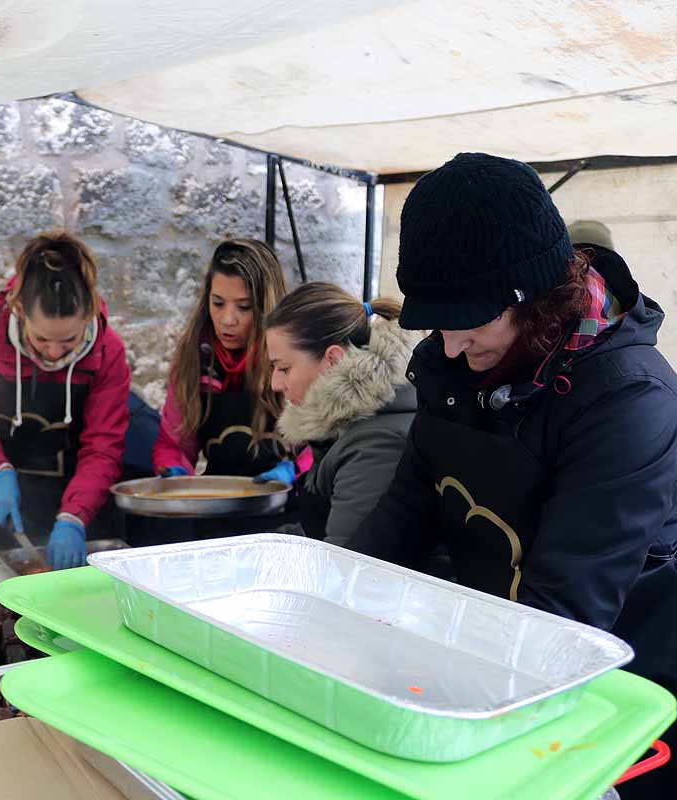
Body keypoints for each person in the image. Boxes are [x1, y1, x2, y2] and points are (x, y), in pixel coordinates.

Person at [350, 153, 676, 799]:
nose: (447, 346)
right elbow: (402, 516)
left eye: (469, 321)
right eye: (438, 323)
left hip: (612, 686)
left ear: (536, 298)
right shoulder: (455, 363)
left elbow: (567, 612)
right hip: (490, 646)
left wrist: (456, 725)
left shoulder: (629, 399)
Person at [0, 231, 130, 569]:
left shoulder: (108, 351)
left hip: (75, 489)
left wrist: (74, 515)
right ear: (19, 310)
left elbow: (103, 446)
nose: (55, 353)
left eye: (69, 340)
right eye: (42, 339)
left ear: (87, 314)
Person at [147, 239, 290, 543]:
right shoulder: (194, 359)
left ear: (266, 306)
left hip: (287, 519)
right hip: (216, 520)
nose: (228, 319)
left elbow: (323, 448)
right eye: (218, 302)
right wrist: (174, 469)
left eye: (244, 306)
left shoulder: (292, 356)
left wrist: (294, 470)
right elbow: (174, 441)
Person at [263, 283, 418, 546]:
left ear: (333, 360)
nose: (275, 384)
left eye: (284, 368)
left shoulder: (376, 443)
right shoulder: (346, 424)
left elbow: (345, 563)